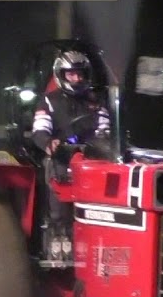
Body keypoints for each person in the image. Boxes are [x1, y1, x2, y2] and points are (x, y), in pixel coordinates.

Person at [30, 51, 113, 259]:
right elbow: (39, 131)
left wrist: (99, 144)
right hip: (61, 157)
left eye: (80, 74)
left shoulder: (96, 102)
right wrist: (49, 143)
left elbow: (105, 131)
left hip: (92, 158)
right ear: (61, 74)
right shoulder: (49, 101)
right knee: (54, 167)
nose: (76, 79)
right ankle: (59, 232)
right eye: (71, 74)